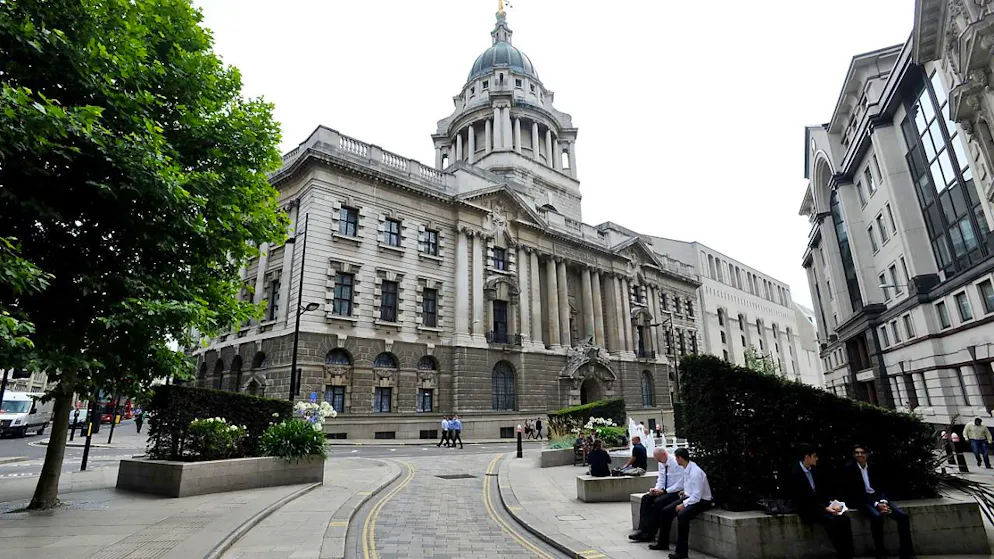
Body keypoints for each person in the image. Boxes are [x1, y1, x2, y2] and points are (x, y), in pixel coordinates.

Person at [844, 444, 914, 559]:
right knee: (876, 517)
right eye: (857, 453)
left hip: (878, 498)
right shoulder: (849, 469)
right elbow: (855, 493)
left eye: (862, 452)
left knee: (903, 516)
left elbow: (882, 487)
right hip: (863, 500)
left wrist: (883, 501)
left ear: (867, 455)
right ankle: (880, 552)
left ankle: (906, 552)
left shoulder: (874, 467)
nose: (859, 455)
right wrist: (877, 505)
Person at [788, 445, 854, 559]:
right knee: (831, 522)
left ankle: (849, 553)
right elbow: (801, 499)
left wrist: (831, 503)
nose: (816, 459)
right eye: (814, 456)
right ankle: (842, 554)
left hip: (820, 505)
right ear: (807, 457)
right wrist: (824, 508)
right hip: (807, 508)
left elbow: (821, 492)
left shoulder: (814, 470)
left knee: (844, 520)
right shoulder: (795, 473)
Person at [649, 447, 712, 558]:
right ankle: (663, 543)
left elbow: (697, 496)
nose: (675, 460)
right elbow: (690, 488)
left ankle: (681, 552)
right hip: (690, 497)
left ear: (680, 458)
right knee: (666, 511)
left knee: (682, 516)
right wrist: (684, 493)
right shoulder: (686, 468)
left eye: (676, 458)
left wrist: (683, 504)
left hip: (702, 501)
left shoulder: (695, 472)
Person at [630, 447, 685, 542]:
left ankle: (651, 533)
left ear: (664, 454)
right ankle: (642, 529)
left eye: (659, 459)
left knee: (658, 502)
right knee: (646, 499)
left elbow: (680, 484)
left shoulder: (676, 464)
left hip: (675, 491)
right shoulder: (661, 463)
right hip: (664, 490)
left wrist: (665, 491)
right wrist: (656, 489)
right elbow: (661, 478)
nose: (659, 461)